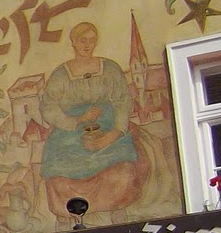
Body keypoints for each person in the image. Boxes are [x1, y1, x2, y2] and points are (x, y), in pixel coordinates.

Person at [38, 21, 145, 222]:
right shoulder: (61, 75)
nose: (87, 45)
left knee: (122, 168)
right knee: (59, 173)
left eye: (92, 40)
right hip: (69, 131)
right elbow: (48, 106)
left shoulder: (110, 69)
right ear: (73, 42)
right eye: (82, 40)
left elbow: (123, 100)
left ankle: (117, 210)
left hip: (108, 125)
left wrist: (115, 133)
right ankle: (69, 218)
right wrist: (77, 120)